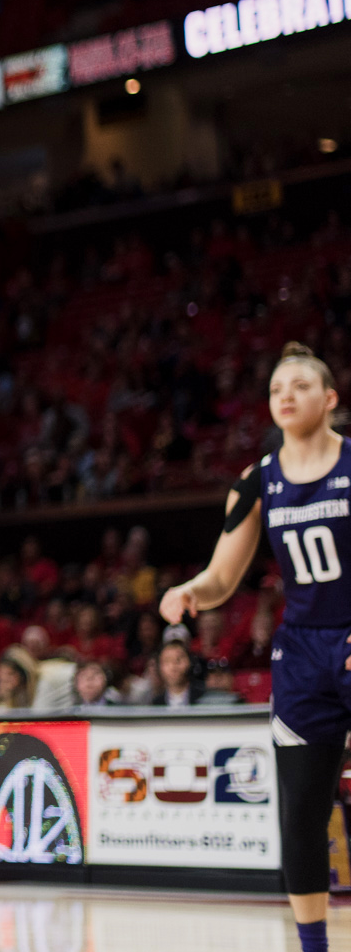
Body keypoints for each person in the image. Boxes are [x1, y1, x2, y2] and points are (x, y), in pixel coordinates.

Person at [162, 342, 349, 952]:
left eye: (299, 385)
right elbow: (222, 577)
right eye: (276, 389)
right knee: (301, 813)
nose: (286, 396)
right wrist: (192, 590)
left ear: (330, 399)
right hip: (301, 657)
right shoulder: (255, 481)